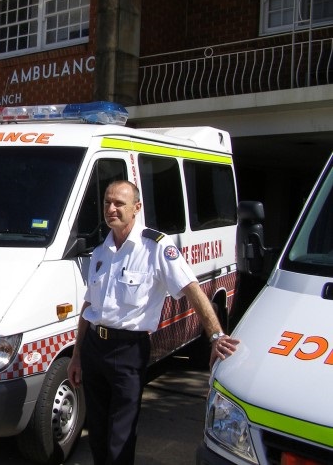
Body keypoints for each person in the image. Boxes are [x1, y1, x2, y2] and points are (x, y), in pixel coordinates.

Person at [67, 180, 239, 465]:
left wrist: (216, 336)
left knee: (120, 435)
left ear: (136, 208)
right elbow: (89, 306)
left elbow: (192, 289)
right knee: (97, 429)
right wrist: (76, 356)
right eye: (107, 202)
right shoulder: (100, 252)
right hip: (94, 347)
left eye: (119, 203)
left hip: (128, 352)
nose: (111, 208)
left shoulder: (156, 247)